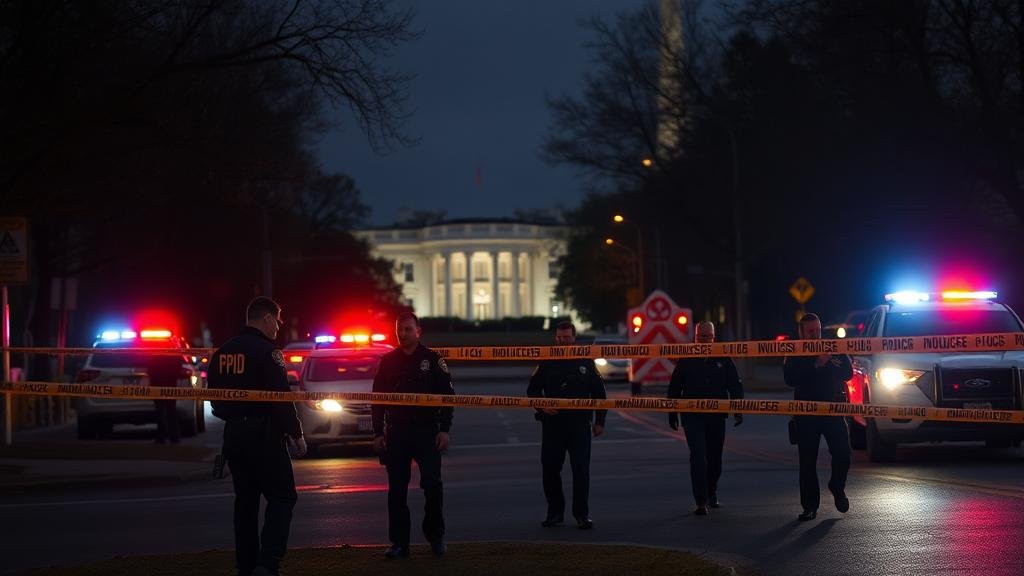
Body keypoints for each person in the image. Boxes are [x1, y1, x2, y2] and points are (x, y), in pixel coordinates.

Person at [207, 297, 306, 576]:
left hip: (234, 435)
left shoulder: (223, 352)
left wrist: (233, 417)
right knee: (283, 496)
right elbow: (280, 398)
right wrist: (295, 433)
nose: (279, 326)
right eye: (277, 320)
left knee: (246, 502)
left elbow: (213, 398)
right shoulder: (268, 352)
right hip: (264, 434)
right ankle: (269, 562)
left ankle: (246, 565)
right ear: (266, 319)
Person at [371, 312, 454, 559]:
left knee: (432, 486)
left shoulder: (432, 359)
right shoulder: (387, 361)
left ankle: (436, 538)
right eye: (399, 330)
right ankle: (399, 544)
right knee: (397, 490)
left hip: (426, 431)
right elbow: (377, 400)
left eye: (408, 329)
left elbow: (447, 397)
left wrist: (444, 429)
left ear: (419, 331)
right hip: (397, 433)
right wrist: (378, 433)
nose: (402, 334)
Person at [527, 320, 607, 530]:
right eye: (560, 338)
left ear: (574, 338)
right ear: (556, 338)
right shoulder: (546, 361)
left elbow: (600, 393)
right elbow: (532, 392)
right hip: (553, 425)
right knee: (550, 469)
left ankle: (582, 515)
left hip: (579, 425)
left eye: (567, 338)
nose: (563, 341)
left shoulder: (586, 361)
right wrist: (542, 406)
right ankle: (555, 513)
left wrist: (600, 421)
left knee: (581, 470)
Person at [666, 321, 744, 516]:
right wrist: (672, 413)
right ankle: (701, 500)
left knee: (715, 458)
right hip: (692, 417)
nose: (706, 340)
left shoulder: (722, 356)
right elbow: (675, 386)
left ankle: (712, 492)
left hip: (716, 417)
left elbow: (734, 384)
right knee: (698, 456)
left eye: (709, 337)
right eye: (702, 337)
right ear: (695, 337)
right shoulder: (687, 358)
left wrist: (738, 408)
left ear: (714, 337)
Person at [783, 312, 852, 521]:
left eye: (818, 330)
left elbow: (848, 373)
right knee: (807, 461)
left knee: (843, 454)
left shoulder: (832, 347)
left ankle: (837, 487)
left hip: (833, 410)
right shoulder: (794, 351)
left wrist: (830, 362)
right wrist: (816, 365)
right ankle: (809, 507)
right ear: (801, 332)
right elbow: (790, 378)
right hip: (806, 414)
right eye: (811, 331)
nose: (815, 335)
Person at [146, 352, 182, 444]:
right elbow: (178, 369)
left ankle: (162, 437)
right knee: (170, 412)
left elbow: (150, 370)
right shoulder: (172, 352)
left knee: (161, 412)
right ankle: (173, 438)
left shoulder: (154, 352)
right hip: (169, 385)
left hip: (158, 385)